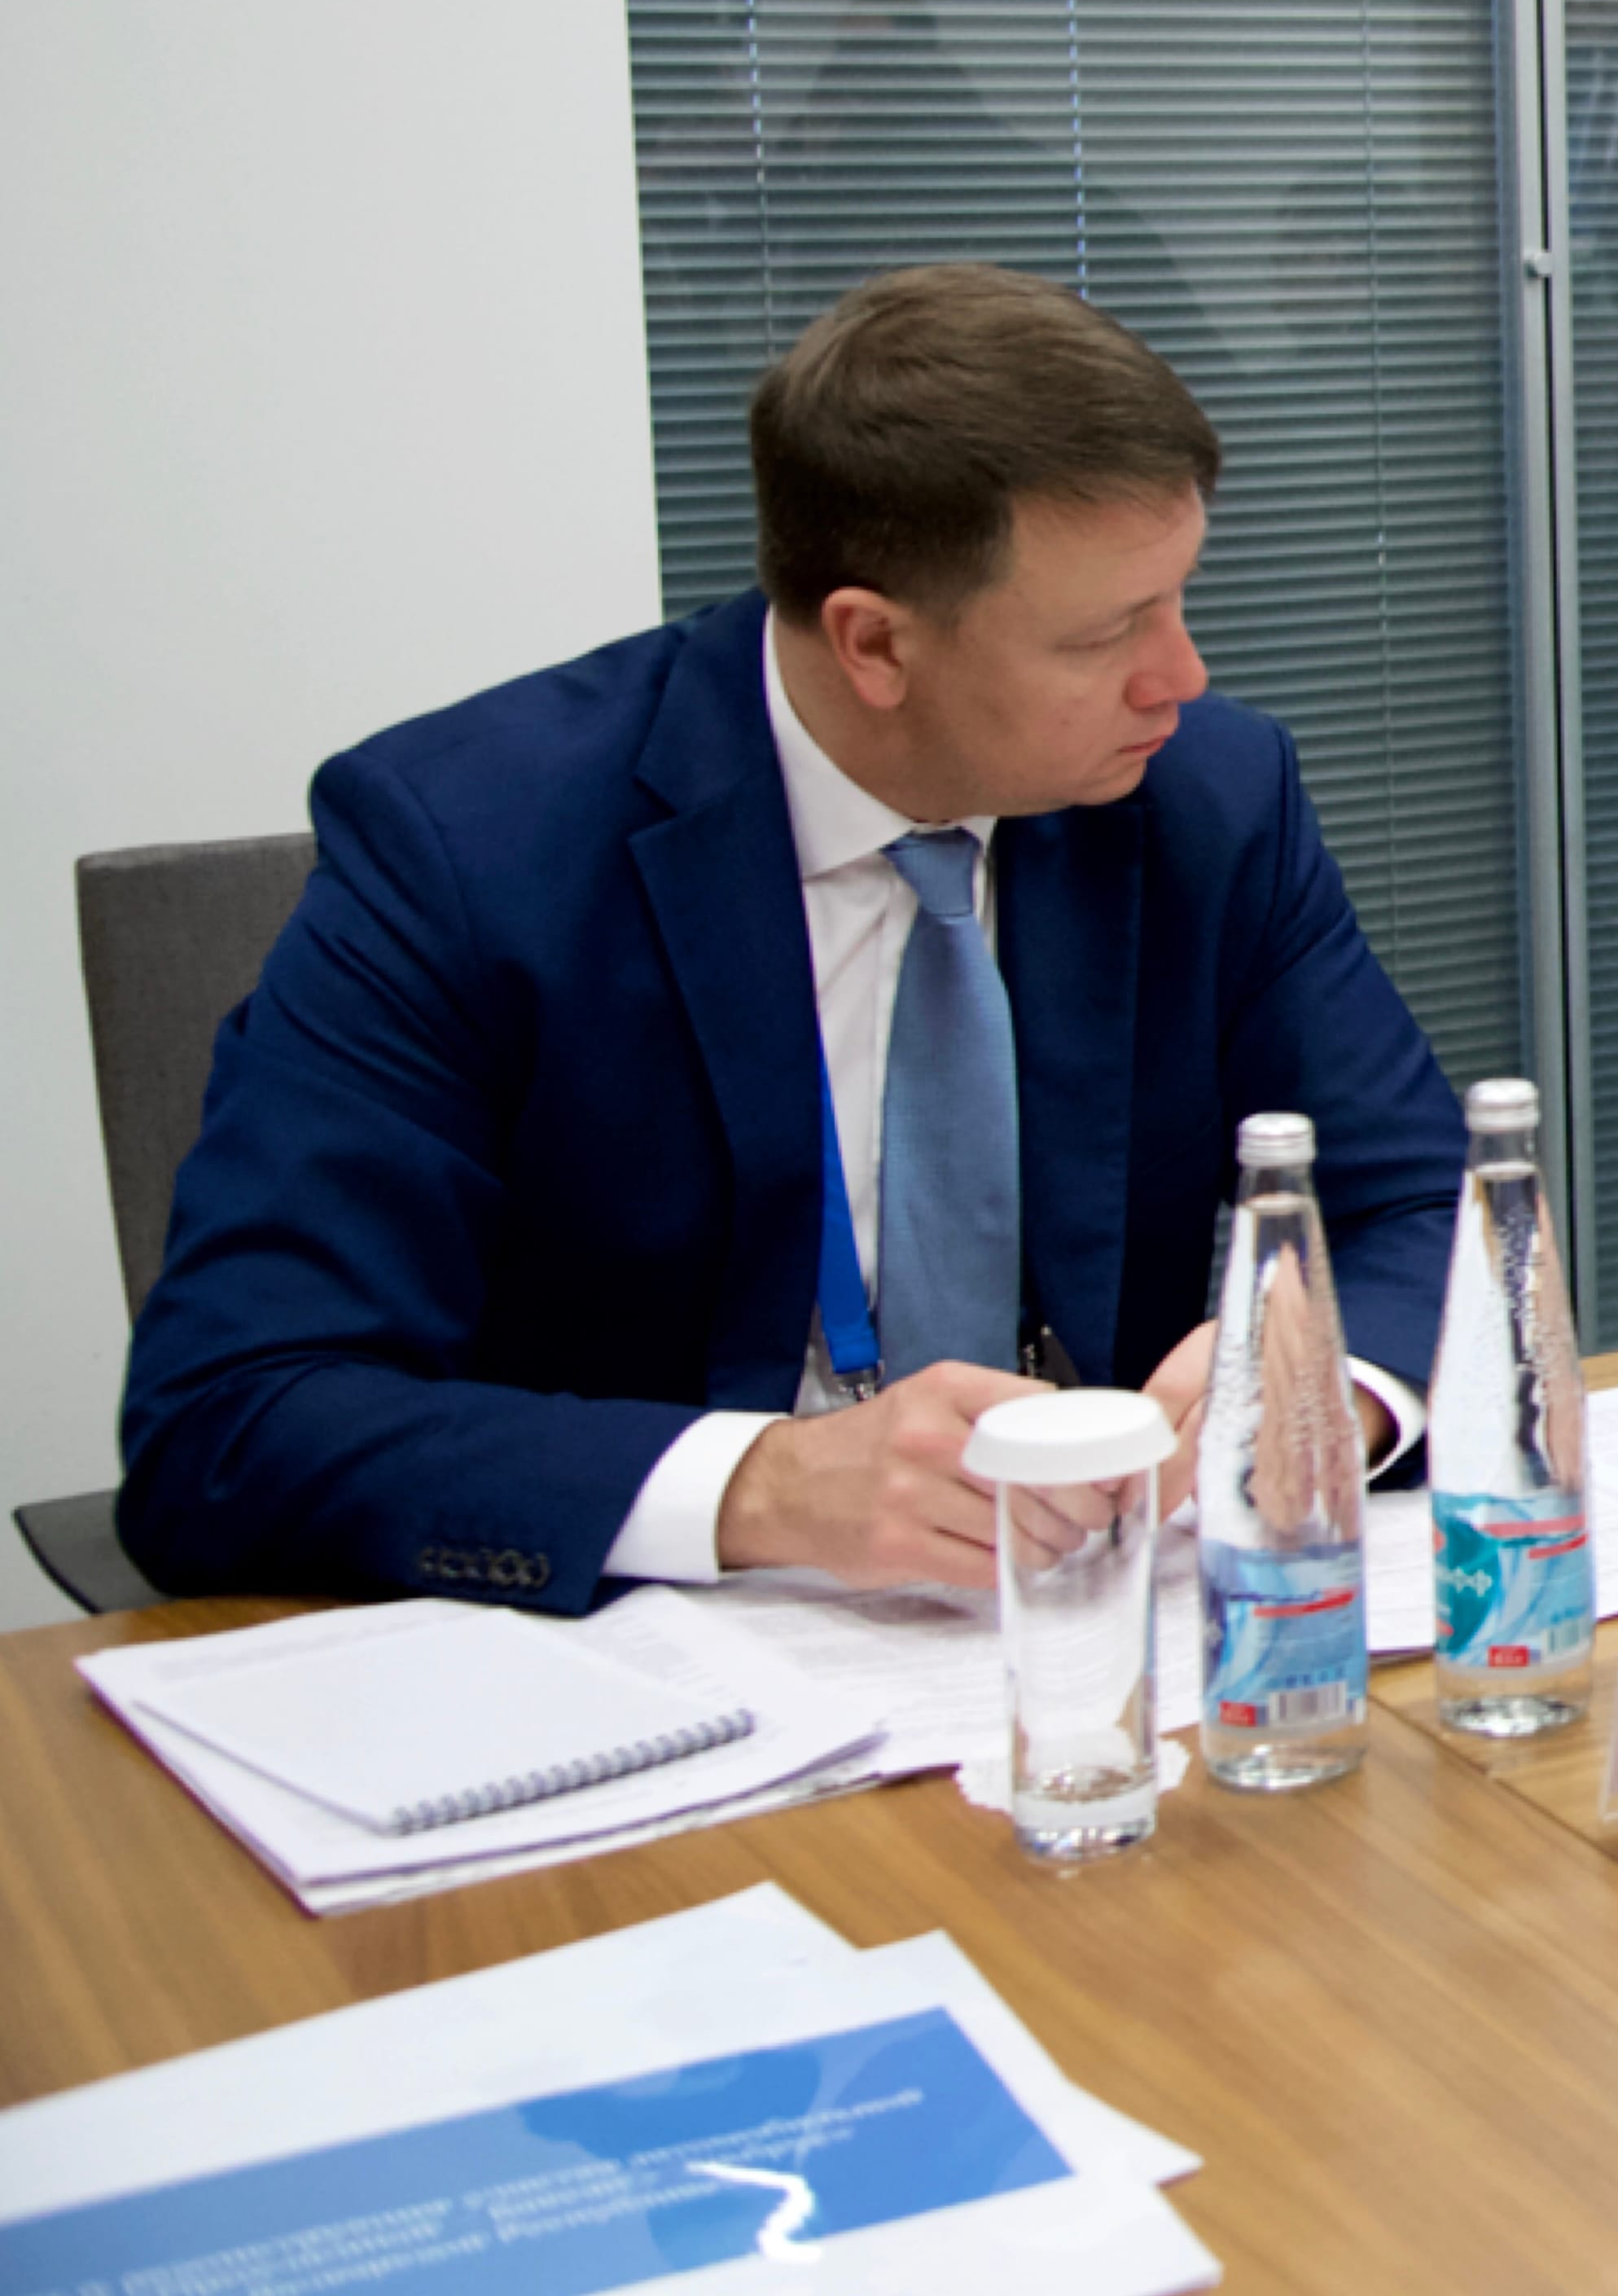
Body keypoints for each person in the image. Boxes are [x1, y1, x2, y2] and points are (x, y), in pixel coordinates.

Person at [116, 265, 1465, 1610]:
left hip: (1093, 1628)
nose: (1182, 674)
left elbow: (1423, 1205)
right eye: (1109, 631)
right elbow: (231, 1417)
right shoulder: (469, 850)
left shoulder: (1206, 801)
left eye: (1177, 598)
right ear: (873, 643)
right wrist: (761, 1486)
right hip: (656, 1651)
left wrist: (1325, 1383)